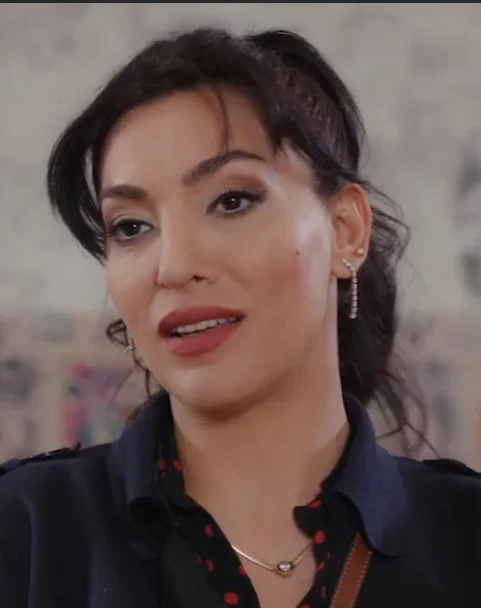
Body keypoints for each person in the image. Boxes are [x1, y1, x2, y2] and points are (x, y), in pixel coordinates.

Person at [0, 26, 479, 608]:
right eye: (131, 226)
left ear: (344, 230)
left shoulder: (464, 540)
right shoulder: (26, 535)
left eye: (232, 201)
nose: (174, 267)